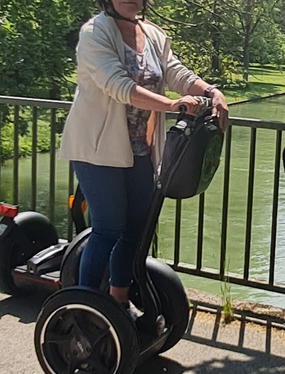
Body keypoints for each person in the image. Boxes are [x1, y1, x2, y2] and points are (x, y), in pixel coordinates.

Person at [58, 0, 229, 315]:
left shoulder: (152, 34)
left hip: (140, 150)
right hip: (98, 150)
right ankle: (82, 309)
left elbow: (176, 72)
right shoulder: (95, 32)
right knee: (108, 228)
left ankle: (118, 301)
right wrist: (172, 104)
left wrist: (211, 91)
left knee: (135, 229)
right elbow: (117, 85)